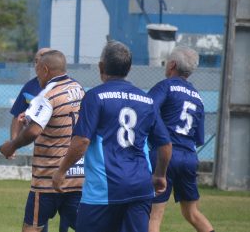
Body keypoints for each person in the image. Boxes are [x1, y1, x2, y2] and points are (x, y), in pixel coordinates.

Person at [52, 41, 172, 232]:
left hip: (104, 189)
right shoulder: (147, 100)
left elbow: (82, 140)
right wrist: (160, 175)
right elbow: (165, 145)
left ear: (101, 66)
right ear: (129, 68)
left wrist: (61, 171)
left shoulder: (95, 96)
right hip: (140, 187)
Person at [0, 50, 84, 232]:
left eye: (37, 70)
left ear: (45, 69)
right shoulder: (78, 88)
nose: (36, 75)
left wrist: (11, 145)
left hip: (48, 177)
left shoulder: (47, 96)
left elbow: (33, 132)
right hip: (77, 176)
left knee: (32, 227)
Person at [147, 46, 215, 232]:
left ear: (172, 64)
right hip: (189, 157)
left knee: (154, 215)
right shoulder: (198, 98)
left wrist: (160, 132)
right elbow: (199, 138)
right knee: (191, 212)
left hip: (165, 154)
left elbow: (148, 109)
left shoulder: (165, 86)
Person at [8, 48, 53, 158]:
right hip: (41, 148)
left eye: (41, 60)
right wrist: (13, 145)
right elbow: (17, 117)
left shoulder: (64, 86)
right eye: (36, 61)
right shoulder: (29, 87)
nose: (37, 64)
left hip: (63, 146)